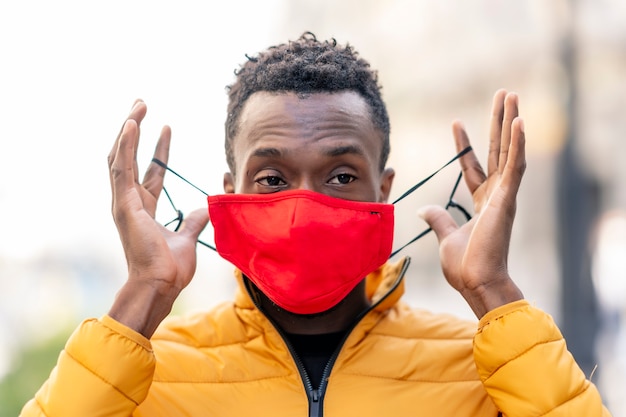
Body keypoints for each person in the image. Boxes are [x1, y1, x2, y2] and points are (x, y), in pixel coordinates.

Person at [21, 32, 611, 416]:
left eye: (341, 176)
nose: (304, 206)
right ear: (230, 195)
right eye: (272, 179)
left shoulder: (484, 369)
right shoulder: (146, 373)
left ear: (384, 193)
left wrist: (493, 292)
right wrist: (143, 296)